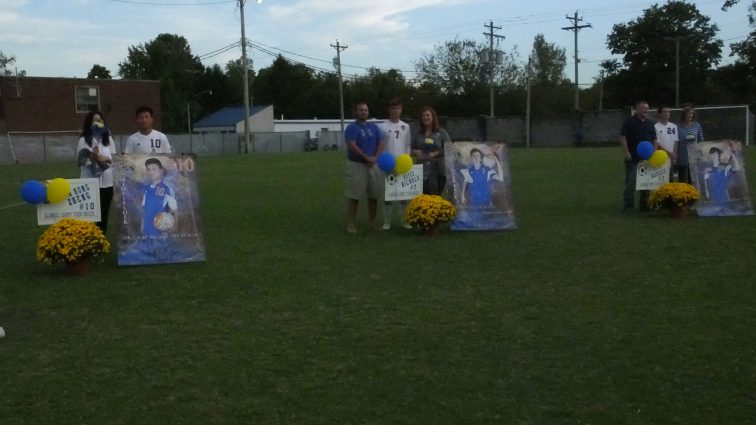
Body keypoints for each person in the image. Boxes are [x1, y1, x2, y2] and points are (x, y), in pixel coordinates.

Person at [344, 102, 384, 234]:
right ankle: (351, 223)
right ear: (356, 112)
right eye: (361, 110)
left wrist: (375, 158)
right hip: (357, 165)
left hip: (373, 165)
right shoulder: (352, 127)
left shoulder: (374, 127)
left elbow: (381, 143)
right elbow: (352, 145)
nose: (363, 112)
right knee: (354, 196)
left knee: (373, 196)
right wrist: (367, 158)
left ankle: (372, 222)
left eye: (366, 110)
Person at [76, 110, 116, 233]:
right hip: (90, 183)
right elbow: (81, 161)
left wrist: (105, 159)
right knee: (88, 215)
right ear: (89, 123)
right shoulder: (83, 140)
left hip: (107, 183)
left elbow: (114, 159)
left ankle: (100, 242)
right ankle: (87, 240)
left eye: (100, 120)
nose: (98, 123)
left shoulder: (108, 139)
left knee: (103, 215)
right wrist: (93, 158)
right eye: (95, 121)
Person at [378, 98, 412, 230]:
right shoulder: (382, 126)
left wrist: (407, 160)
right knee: (389, 195)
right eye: (393, 108)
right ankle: (387, 222)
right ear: (389, 109)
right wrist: (383, 160)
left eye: (398, 108)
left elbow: (408, 145)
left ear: (401, 110)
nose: (396, 111)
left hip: (402, 166)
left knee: (404, 195)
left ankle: (405, 221)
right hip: (387, 166)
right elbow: (379, 146)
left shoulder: (406, 126)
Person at [619, 100, 657, 211]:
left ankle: (644, 204)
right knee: (631, 182)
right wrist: (626, 152)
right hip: (633, 158)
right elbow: (622, 137)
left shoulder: (650, 123)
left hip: (647, 159)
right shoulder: (629, 122)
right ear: (637, 109)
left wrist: (653, 153)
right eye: (644, 108)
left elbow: (654, 139)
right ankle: (628, 205)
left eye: (647, 108)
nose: (646, 110)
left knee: (646, 183)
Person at [412, 106, 450, 195]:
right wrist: (415, 151)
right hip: (421, 171)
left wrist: (435, 153)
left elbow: (449, 147)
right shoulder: (418, 134)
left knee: (436, 197)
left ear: (433, 117)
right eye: (423, 116)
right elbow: (410, 147)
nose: (425, 117)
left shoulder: (441, 132)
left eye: (428, 115)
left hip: (438, 170)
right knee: (423, 198)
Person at [142, 157, 177, 237]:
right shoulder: (146, 189)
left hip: (160, 229)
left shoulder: (167, 188)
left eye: (154, 169)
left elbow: (173, 210)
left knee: (160, 248)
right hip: (147, 229)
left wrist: (173, 227)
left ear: (161, 170)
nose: (151, 172)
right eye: (149, 169)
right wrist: (143, 224)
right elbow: (145, 209)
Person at [675, 105, 704, 184]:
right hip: (682, 156)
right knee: (683, 180)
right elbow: (675, 141)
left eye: (692, 113)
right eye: (688, 113)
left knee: (694, 180)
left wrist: (700, 152)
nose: (690, 115)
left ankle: (692, 196)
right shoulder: (677, 126)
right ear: (684, 114)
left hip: (694, 157)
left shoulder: (697, 125)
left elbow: (701, 140)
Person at [654, 105, 678, 181]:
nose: (667, 113)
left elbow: (676, 141)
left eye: (668, 111)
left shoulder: (673, 126)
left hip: (671, 156)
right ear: (659, 114)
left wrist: (674, 154)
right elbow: (657, 143)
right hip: (661, 156)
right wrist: (669, 153)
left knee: (671, 179)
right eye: (664, 111)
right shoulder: (655, 127)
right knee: (661, 180)